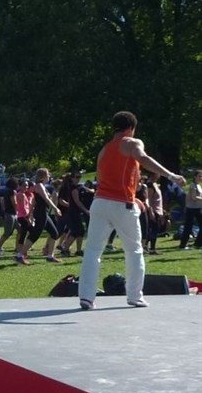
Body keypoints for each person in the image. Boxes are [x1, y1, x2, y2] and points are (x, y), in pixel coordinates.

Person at [78, 111, 186, 311]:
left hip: (100, 203)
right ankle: (135, 296)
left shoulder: (104, 150)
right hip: (122, 205)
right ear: (131, 128)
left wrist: (131, 195)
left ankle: (86, 297)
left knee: (92, 251)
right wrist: (171, 175)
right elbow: (143, 158)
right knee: (134, 250)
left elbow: (104, 180)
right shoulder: (132, 143)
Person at [179, 170, 202, 250]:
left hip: (198, 208)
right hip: (191, 209)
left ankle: (198, 243)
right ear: (195, 177)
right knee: (188, 227)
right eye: (199, 176)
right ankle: (183, 245)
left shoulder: (198, 185)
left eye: (201, 176)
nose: (201, 178)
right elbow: (194, 198)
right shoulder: (193, 185)